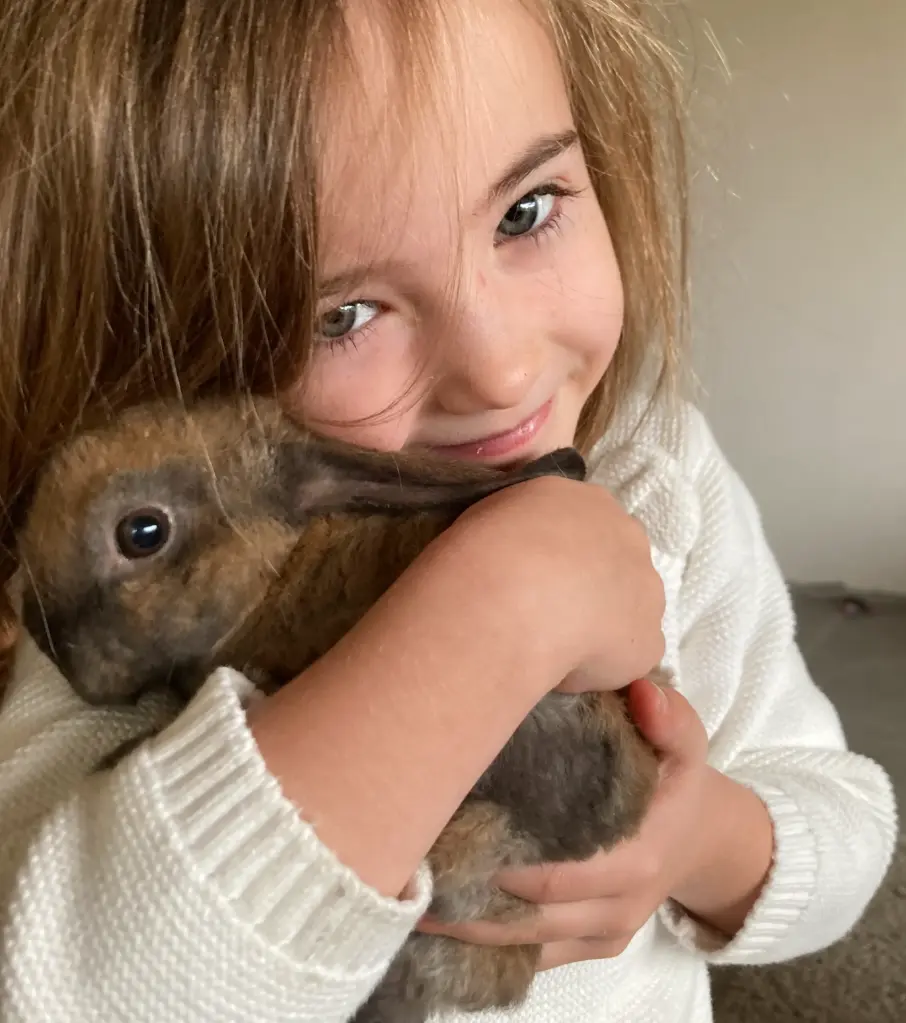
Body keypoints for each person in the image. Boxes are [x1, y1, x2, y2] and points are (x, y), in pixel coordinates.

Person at [0, 0, 896, 1021]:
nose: (502, 372)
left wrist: (698, 842)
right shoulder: (149, 597)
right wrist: (498, 612)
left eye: (526, 211)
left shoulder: (659, 466)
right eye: (341, 314)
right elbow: (70, 988)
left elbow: (845, 820)